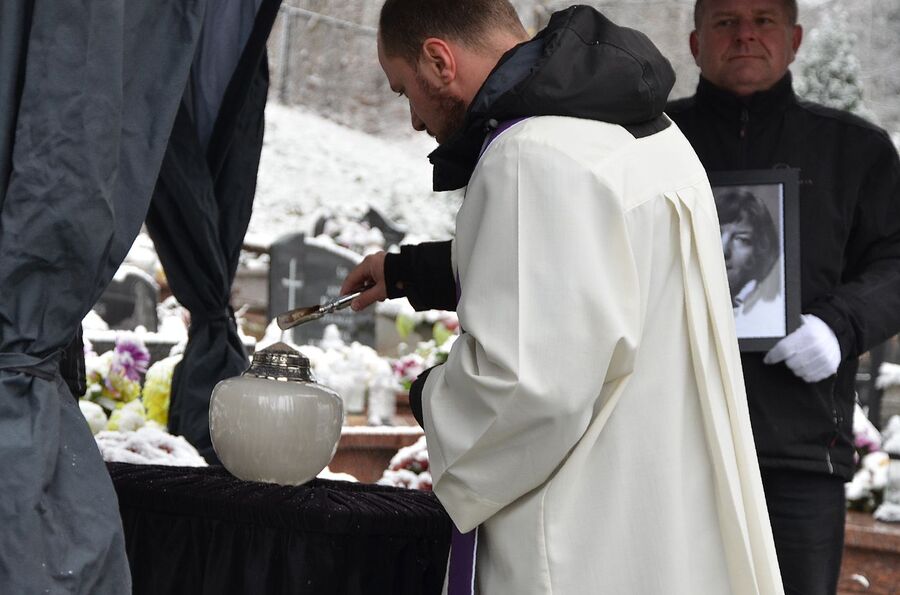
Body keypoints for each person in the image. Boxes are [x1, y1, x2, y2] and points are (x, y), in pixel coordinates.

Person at [341, 2, 783, 593]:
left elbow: (526, 388)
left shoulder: (531, 154)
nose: (415, 120)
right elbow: (588, 264)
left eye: (404, 92)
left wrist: (433, 396)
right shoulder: (638, 125)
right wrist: (409, 272)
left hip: (581, 531)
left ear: (438, 60)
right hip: (660, 497)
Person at [666, 1, 900, 593]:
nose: (745, 35)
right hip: (668, 436)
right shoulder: (650, 146)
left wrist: (839, 326)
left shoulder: (855, 151)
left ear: (794, 39)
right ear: (696, 43)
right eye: (725, 22)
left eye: (763, 20)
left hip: (800, 448)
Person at [715, 189, 783, 338]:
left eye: (741, 239)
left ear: (759, 250)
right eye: (713, 233)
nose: (723, 250)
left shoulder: (769, 309)